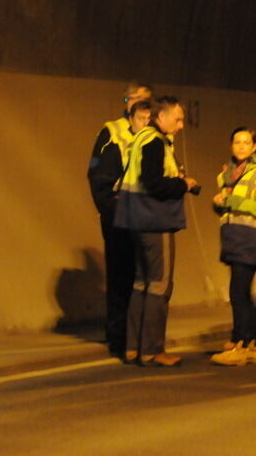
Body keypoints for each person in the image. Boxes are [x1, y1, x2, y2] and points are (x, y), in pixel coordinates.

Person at [114, 96, 198, 367]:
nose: (181, 125)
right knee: (159, 285)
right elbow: (153, 184)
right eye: (178, 119)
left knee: (141, 283)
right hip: (155, 220)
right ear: (159, 117)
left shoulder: (139, 138)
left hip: (135, 220)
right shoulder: (155, 142)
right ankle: (152, 349)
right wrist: (183, 185)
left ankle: (132, 348)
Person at [86, 80, 153, 358]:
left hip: (147, 216)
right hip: (120, 215)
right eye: (133, 98)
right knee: (120, 276)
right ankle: (118, 336)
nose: (138, 102)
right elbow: (97, 175)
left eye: (144, 98)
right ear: (125, 102)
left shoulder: (154, 133)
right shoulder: (112, 132)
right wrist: (111, 211)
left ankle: (138, 336)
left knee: (145, 278)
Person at [210, 128, 256, 366]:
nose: (240, 146)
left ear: (254, 146)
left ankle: (244, 342)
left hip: (251, 240)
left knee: (238, 294)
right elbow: (229, 207)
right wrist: (219, 204)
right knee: (242, 294)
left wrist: (231, 201)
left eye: (246, 142)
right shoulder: (227, 174)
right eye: (237, 142)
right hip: (233, 238)